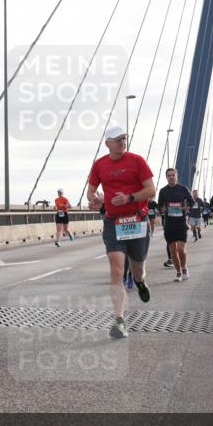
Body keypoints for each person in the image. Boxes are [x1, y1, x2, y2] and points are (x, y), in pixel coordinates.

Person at [87, 126, 154, 338]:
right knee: (116, 269)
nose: (122, 142)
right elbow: (90, 191)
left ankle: (140, 282)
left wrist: (130, 198)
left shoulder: (137, 161)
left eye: (124, 138)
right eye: (118, 139)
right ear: (107, 143)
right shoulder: (100, 165)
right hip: (113, 223)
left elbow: (151, 190)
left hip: (137, 220)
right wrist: (94, 200)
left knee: (137, 269)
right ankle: (119, 320)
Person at [158, 169, 192, 281]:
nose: (171, 177)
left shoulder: (183, 189)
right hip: (169, 224)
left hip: (181, 223)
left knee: (181, 250)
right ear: (166, 177)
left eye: (173, 175)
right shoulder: (163, 191)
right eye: (169, 175)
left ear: (177, 176)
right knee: (173, 251)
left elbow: (191, 201)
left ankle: (184, 267)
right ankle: (178, 272)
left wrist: (187, 208)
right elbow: (159, 206)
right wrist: (162, 209)